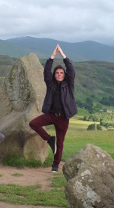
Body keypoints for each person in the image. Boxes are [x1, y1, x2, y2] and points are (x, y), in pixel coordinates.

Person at [29, 44, 77, 172]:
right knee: (33, 123)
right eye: (57, 72)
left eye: (61, 73)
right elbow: (46, 71)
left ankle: (55, 166)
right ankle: (50, 139)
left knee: (60, 144)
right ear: (54, 75)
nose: (59, 74)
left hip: (63, 118)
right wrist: (52, 56)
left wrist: (63, 56)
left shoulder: (69, 84)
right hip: (51, 115)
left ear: (64, 75)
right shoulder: (50, 84)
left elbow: (71, 70)